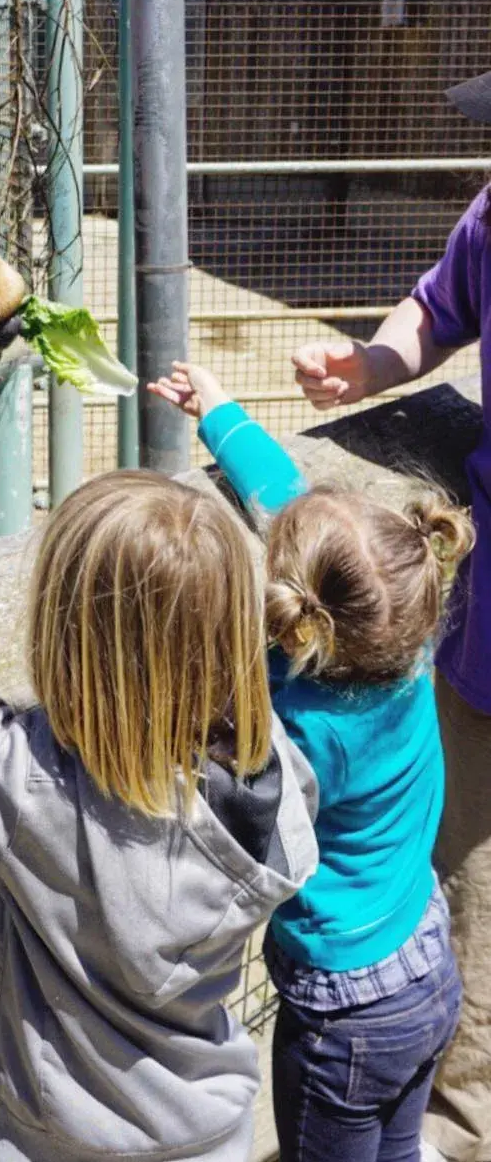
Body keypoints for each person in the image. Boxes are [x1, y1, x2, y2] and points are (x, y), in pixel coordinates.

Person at [0, 470, 319, 1162]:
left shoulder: (26, 781)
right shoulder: (273, 768)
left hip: (61, 1139)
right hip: (211, 1127)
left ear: (68, 634)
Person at [149, 359, 470, 1162]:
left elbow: (214, 777)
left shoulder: (294, 725)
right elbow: (285, 496)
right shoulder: (410, 638)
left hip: (344, 1010)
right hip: (427, 958)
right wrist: (219, 411)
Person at [291, 153, 491, 1162]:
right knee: (466, 886)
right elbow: (436, 304)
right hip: (486, 647)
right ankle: (456, 1135)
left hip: (341, 1005)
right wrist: (371, 366)